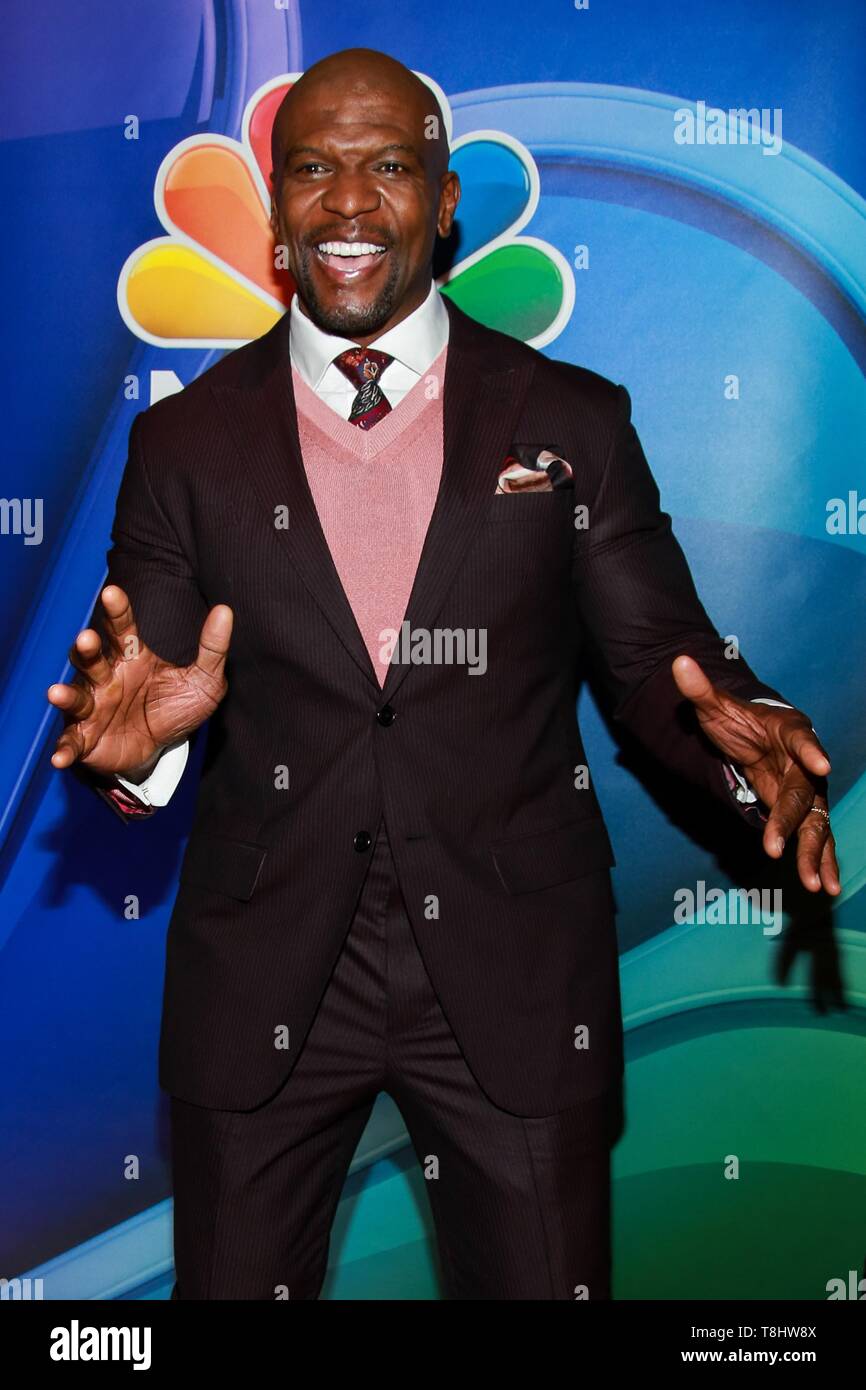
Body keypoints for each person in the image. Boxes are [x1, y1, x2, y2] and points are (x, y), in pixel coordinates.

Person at [46, 48, 839, 1300]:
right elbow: (147, 679)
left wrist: (750, 750)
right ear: (273, 210)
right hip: (265, 973)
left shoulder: (571, 419)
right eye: (312, 167)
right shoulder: (181, 443)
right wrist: (145, 753)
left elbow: (657, 664)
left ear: (445, 196)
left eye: (386, 167)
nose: (348, 202)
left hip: (515, 966)